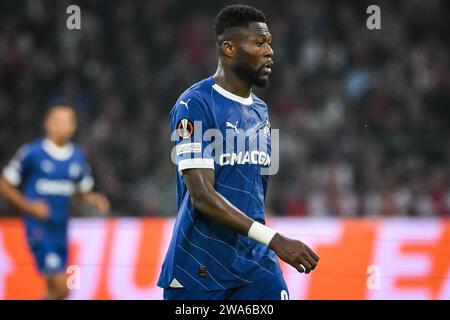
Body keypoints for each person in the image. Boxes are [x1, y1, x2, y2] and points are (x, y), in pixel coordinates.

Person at [158, 5, 319, 300]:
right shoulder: (194, 105)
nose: (270, 51)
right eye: (260, 43)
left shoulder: (260, 110)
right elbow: (202, 196)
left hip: (255, 265)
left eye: (269, 42)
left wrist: (266, 241)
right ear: (229, 48)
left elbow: (251, 191)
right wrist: (276, 240)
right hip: (201, 268)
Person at [0, 104, 110, 300]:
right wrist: (29, 207)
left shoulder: (77, 157)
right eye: (58, 121)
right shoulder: (32, 153)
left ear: (74, 126)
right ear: (47, 124)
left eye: (68, 121)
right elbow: (5, 184)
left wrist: (93, 198)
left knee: (58, 292)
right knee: (62, 287)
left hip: (61, 229)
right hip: (38, 228)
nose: (63, 126)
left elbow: (80, 191)